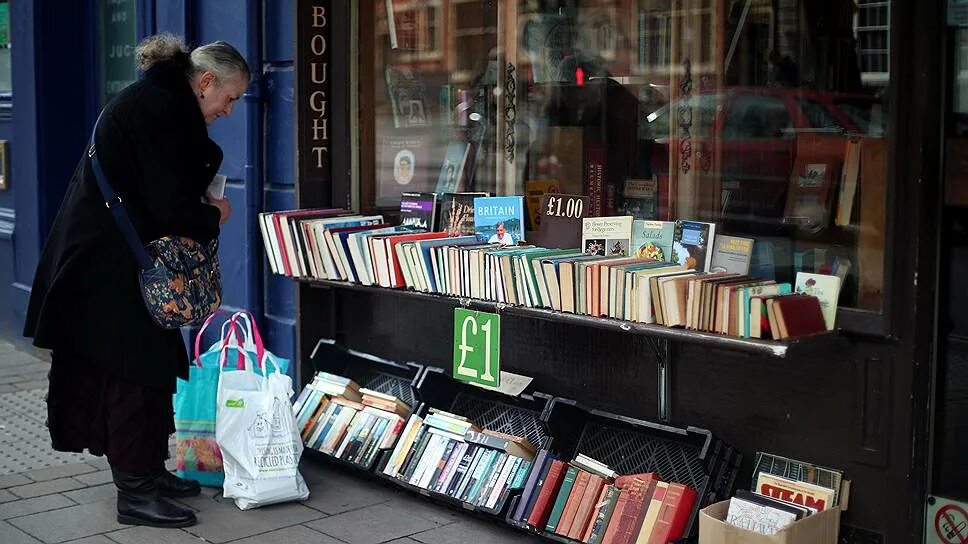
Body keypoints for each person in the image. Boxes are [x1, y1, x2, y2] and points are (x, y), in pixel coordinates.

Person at [22, 33, 249, 529]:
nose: (229, 111)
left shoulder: (158, 101)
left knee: (147, 371)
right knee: (128, 376)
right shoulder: (160, 109)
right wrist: (216, 214)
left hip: (117, 261)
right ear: (206, 81)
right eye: (230, 99)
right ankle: (136, 492)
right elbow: (164, 203)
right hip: (109, 269)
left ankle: (150, 471)